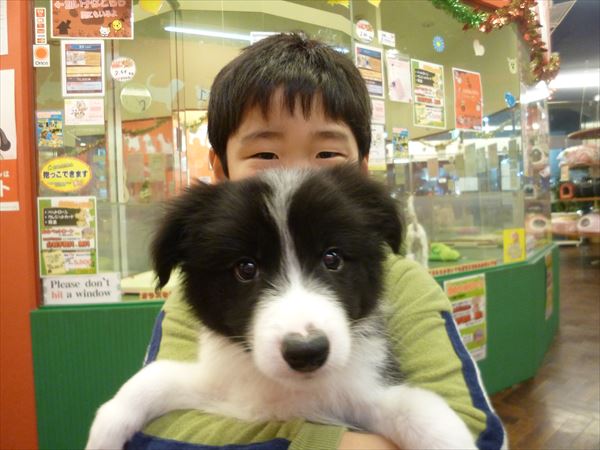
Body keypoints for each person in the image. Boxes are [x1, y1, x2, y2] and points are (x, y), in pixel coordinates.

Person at [130, 32, 506, 450]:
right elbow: (158, 436)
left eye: (326, 154)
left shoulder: (406, 284)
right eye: (266, 155)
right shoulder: (198, 293)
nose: (297, 173)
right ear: (221, 171)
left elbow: (475, 433)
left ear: (360, 170)